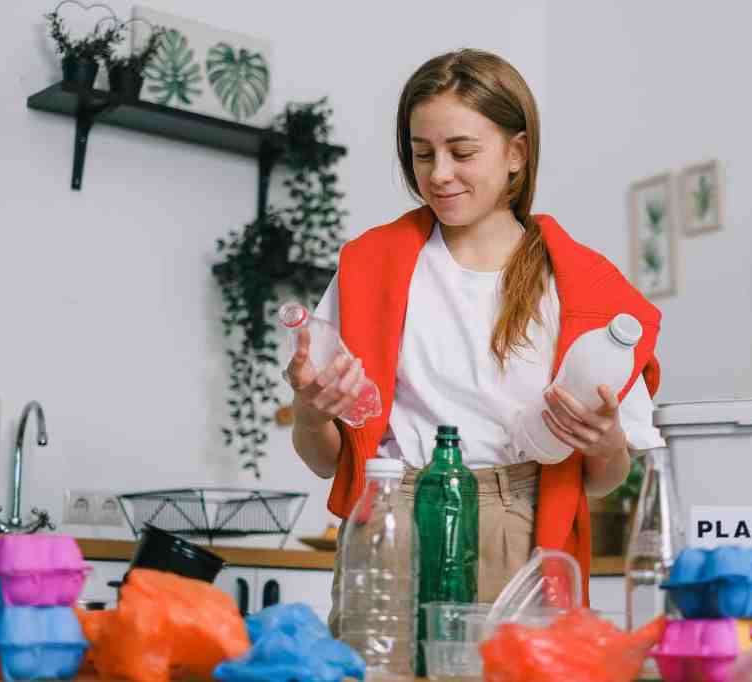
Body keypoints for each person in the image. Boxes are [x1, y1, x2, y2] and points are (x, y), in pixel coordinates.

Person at [285, 49, 665, 632]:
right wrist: (314, 414)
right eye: (421, 154)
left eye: (462, 152)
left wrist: (605, 439)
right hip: (391, 524)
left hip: (523, 533)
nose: (438, 174)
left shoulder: (584, 288)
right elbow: (324, 460)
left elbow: (604, 477)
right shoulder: (368, 268)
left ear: (517, 153)